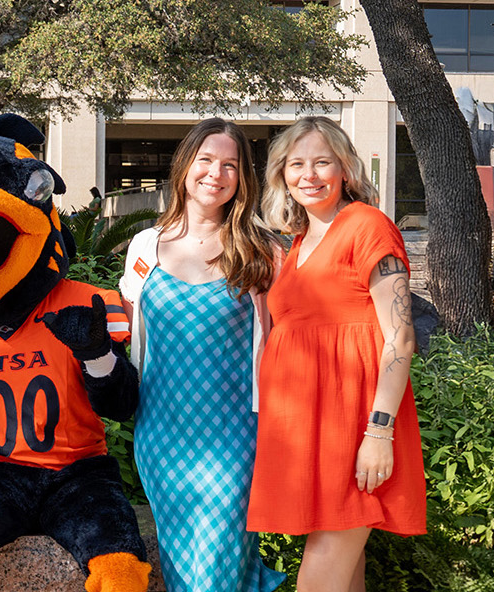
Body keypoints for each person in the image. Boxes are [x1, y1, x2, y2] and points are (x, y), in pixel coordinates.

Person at [247, 116, 427, 592]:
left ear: (344, 169)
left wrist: (379, 432)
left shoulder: (367, 226)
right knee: (344, 572)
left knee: (322, 570)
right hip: (308, 426)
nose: (309, 175)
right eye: (296, 164)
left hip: (355, 424)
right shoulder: (300, 241)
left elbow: (401, 338)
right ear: (282, 174)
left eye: (322, 162)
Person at [119, 118, 284, 592]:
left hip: (234, 438)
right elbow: (134, 333)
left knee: (217, 565)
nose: (216, 173)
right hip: (161, 434)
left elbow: (276, 342)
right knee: (180, 567)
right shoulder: (144, 246)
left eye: (230, 165)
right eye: (206, 160)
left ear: (242, 179)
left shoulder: (261, 250)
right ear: (185, 165)